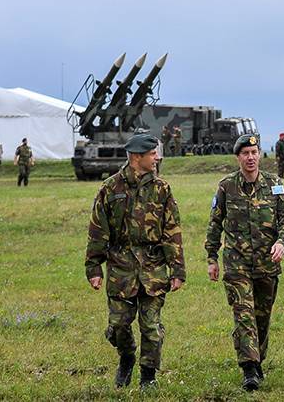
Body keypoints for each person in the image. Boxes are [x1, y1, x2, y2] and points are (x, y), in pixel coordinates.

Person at [85, 133, 186, 389]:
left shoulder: (162, 189)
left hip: (153, 268)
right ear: (136, 157)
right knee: (118, 326)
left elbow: (172, 231)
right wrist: (94, 267)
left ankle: (148, 376)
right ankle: (127, 356)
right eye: (153, 154)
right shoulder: (110, 189)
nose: (157, 158)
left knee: (151, 327)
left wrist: (177, 270)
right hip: (121, 268)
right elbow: (98, 230)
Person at [206, 134, 284, 391]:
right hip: (237, 264)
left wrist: (282, 242)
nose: (251, 157)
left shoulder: (274, 184)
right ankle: (249, 369)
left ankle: (258, 360)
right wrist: (212, 258)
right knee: (244, 315)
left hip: (267, 264)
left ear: (259, 155)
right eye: (245, 153)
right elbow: (215, 224)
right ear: (238, 158)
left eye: (254, 152)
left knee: (262, 318)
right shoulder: (227, 186)